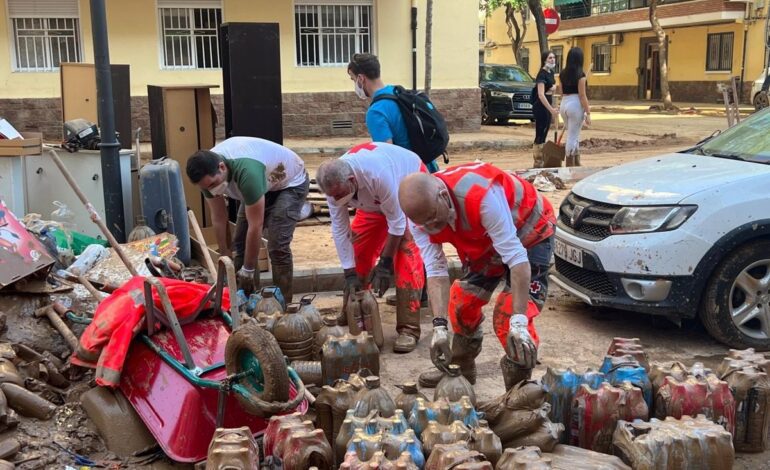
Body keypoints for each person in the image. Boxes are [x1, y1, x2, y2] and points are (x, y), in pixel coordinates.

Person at [398, 162, 556, 390]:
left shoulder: (482, 198)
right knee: (462, 302)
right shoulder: (420, 218)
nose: (431, 227)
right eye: (424, 223)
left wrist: (519, 322)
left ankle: (520, 395)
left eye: (433, 218)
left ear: (443, 196)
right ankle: (460, 370)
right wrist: (439, 327)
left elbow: (516, 259)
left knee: (508, 314)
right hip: (485, 239)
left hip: (530, 230)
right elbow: (435, 271)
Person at [316, 142, 426, 353]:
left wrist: (385, 263)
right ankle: (355, 309)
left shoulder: (378, 173)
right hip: (373, 203)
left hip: (407, 189)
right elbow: (340, 231)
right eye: (333, 197)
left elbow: (397, 222)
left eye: (340, 195)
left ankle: (409, 328)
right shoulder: (334, 188)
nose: (337, 200)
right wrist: (349, 273)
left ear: (351, 180)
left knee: (406, 256)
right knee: (358, 253)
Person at [185, 137, 309, 301]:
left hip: (290, 182)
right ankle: (246, 302)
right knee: (240, 243)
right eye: (207, 187)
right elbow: (219, 217)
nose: (212, 189)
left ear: (221, 167)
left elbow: (255, 226)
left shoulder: (247, 173)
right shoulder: (206, 178)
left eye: (214, 183)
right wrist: (224, 253)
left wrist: (248, 269)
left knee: (277, 244)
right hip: (263, 181)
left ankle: (283, 305)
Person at [347, 53, 440, 174]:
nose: (355, 85)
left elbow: (387, 157)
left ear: (361, 78)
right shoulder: (398, 92)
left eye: (353, 79)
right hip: (431, 168)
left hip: (411, 177)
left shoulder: (376, 112)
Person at [559, 47, 591, 167]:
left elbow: (561, 92)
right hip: (575, 104)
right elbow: (582, 96)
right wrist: (588, 113)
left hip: (564, 103)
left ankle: (576, 163)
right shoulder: (581, 75)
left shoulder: (562, 74)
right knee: (573, 136)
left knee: (573, 134)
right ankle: (570, 164)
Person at [532, 51, 559, 168]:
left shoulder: (551, 73)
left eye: (553, 58)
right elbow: (541, 94)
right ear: (544, 60)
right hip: (541, 106)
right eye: (550, 58)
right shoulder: (541, 74)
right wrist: (551, 109)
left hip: (548, 104)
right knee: (540, 132)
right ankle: (538, 161)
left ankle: (542, 159)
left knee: (545, 131)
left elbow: (552, 90)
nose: (552, 60)